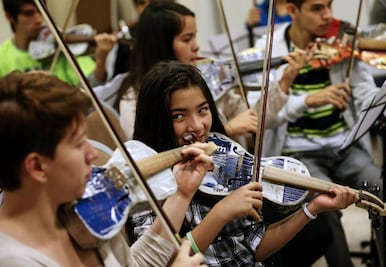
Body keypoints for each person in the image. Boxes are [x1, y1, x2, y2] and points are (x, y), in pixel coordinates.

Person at [129, 60, 359, 266]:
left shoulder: (223, 157)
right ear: (157, 121)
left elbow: (254, 248)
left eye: (203, 110)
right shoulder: (148, 179)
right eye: (179, 116)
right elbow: (160, 261)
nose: (198, 126)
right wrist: (221, 213)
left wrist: (313, 208)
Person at [254, 0, 386, 266]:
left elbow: (368, 99)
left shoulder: (342, 42)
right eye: (317, 8)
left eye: (329, 5)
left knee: (380, 187)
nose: (328, 16)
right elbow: (260, 117)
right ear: (292, 11)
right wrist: (307, 100)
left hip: (344, 146)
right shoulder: (269, 49)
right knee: (325, 203)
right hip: (299, 154)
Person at [0, 70, 213, 266]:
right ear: (37, 166)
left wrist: (182, 195)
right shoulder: (13, 259)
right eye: (78, 144)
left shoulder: (80, 213)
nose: (93, 154)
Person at [94, 0, 261, 143]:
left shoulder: (204, 79)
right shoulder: (134, 99)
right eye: (187, 39)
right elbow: (150, 155)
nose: (196, 46)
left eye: (194, 36)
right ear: (162, 44)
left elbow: (254, 116)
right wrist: (227, 130)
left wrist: (281, 85)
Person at [0, 0, 116, 86]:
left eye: (41, 11)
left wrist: (101, 61)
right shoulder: (2, 58)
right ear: (9, 16)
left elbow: (93, 89)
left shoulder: (60, 45)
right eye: (29, 13)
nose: (39, 19)